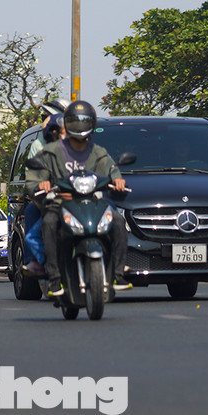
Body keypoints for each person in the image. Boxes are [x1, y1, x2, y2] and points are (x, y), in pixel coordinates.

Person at [27, 100, 130, 297]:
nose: (79, 125)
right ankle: (54, 278)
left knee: (118, 221)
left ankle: (118, 273)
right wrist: (41, 184)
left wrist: (118, 180)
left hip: (95, 203)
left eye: (84, 120)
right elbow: (33, 179)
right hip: (60, 205)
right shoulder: (50, 152)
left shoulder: (98, 152)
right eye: (75, 120)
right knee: (48, 223)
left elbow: (112, 170)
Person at [21, 113, 65, 275]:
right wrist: (42, 183)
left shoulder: (83, 146)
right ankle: (37, 262)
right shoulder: (41, 147)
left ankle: (115, 263)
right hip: (54, 201)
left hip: (82, 200)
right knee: (33, 230)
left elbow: (101, 165)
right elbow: (33, 176)